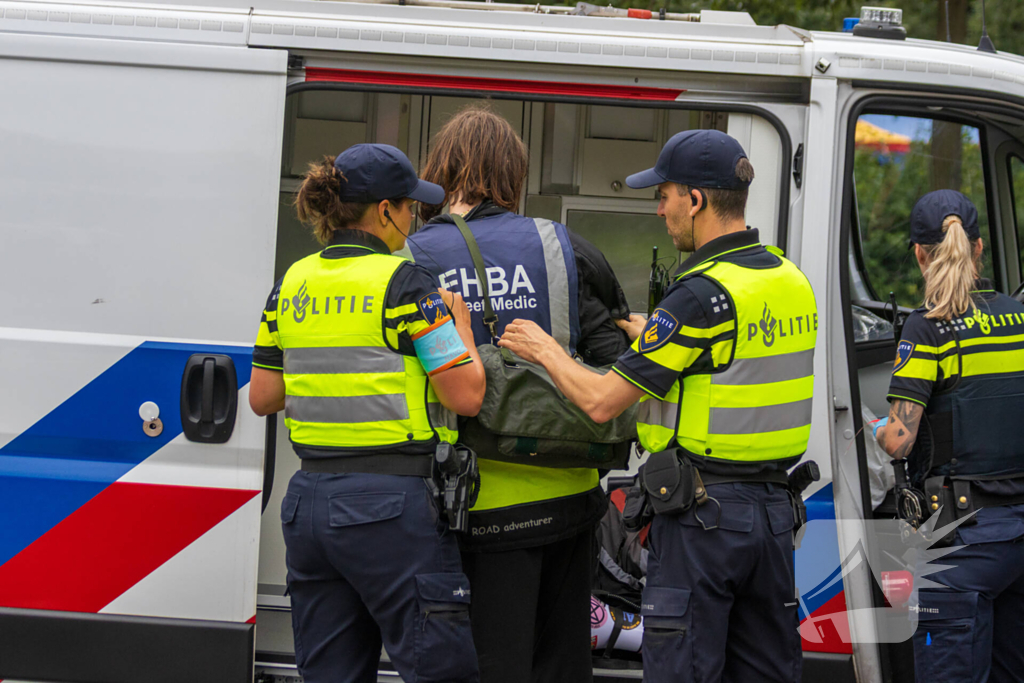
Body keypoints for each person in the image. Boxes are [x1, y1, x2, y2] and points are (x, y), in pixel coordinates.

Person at [500, 129, 816, 683]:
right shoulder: (789, 279)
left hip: (705, 522)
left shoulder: (698, 296)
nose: (658, 210)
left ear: (695, 200)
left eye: (664, 195)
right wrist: (660, 337)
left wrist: (544, 349)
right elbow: (732, 360)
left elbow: (601, 401)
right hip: (773, 519)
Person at [404, 106, 631, 683]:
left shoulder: (412, 258)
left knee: (490, 665)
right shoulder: (565, 247)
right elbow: (614, 360)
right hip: (573, 498)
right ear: (513, 173)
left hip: (474, 505)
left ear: (442, 167)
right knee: (561, 664)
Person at [248, 144, 486, 683]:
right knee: (438, 670)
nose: (412, 220)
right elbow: (466, 394)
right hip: (392, 507)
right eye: (409, 209)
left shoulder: (290, 284)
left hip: (309, 505)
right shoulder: (406, 285)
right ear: (384, 211)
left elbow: (262, 396)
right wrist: (462, 328)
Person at [874, 190, 1024, 683]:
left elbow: (900, 439)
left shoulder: (928, 328)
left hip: (959, 543)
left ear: (919, 254)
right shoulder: (1018, 320)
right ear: (979, 247)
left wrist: (878, 429)